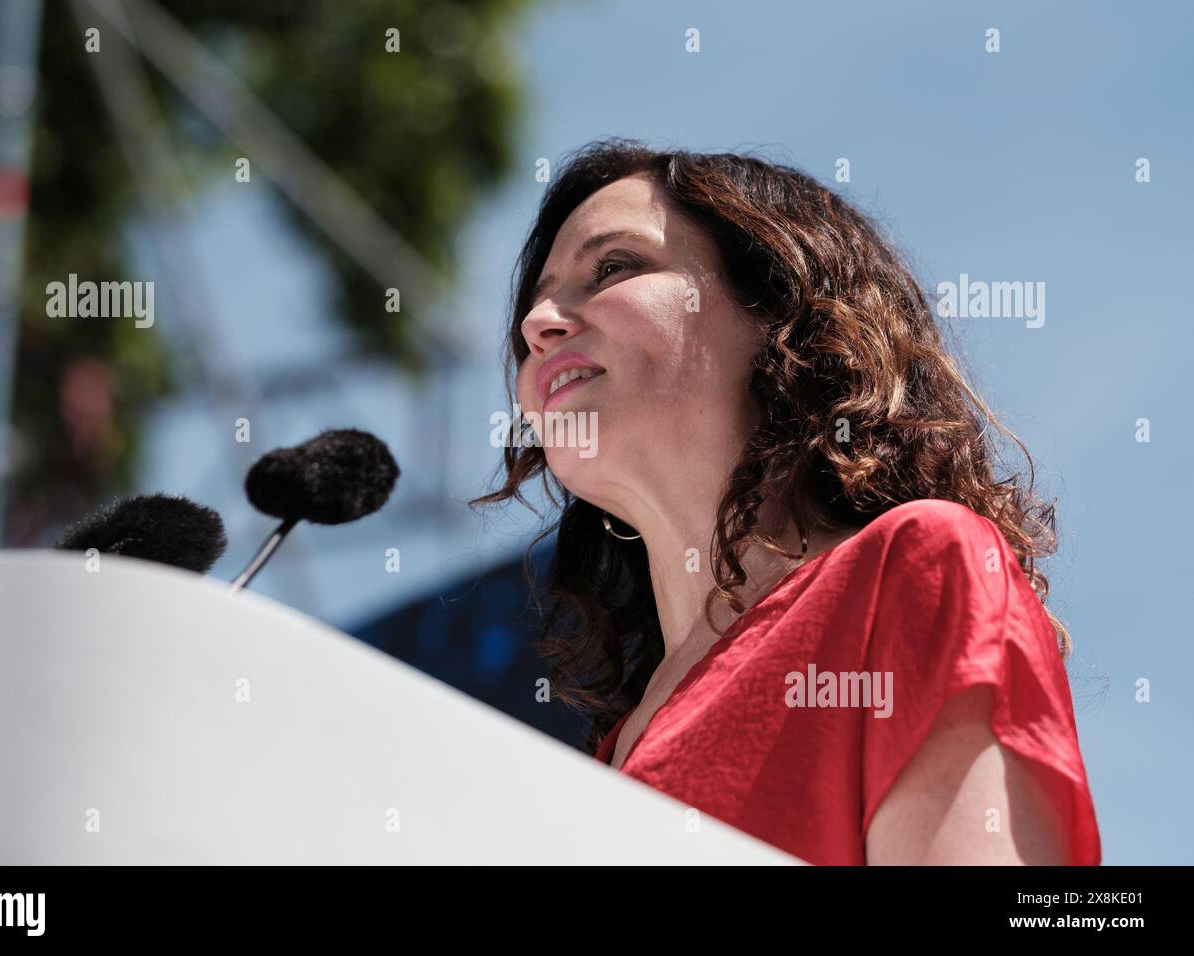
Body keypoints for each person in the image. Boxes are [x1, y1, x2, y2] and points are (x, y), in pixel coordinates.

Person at [471, 139, 1100, 865]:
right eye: (537, 303)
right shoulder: (597, 766)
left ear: (781, 310)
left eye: (613, 267)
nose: (537, 323)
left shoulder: (919, 566)